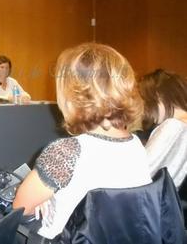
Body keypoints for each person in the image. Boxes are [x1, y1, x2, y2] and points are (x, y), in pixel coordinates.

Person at [12, 43, 152, 242]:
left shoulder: (67, 152)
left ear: (72, 95)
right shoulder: (136, 146)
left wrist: (46, 198)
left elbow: (20, 209)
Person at [138, 69, 187, 189]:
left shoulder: (173, 126)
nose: (145, 110)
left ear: (159, 96)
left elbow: (141, 172)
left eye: (146, 102)